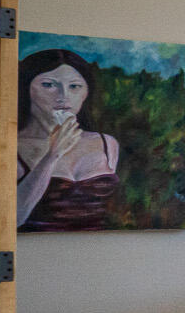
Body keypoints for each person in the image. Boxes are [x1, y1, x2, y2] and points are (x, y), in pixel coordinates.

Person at [17, 48, 121, 231]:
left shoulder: (107, 143)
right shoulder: (11, 147)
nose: (63, 96)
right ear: (26, 89)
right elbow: (14, 218)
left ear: (86, 92)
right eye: (48, 85)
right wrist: (52, 155)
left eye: (74, 86)